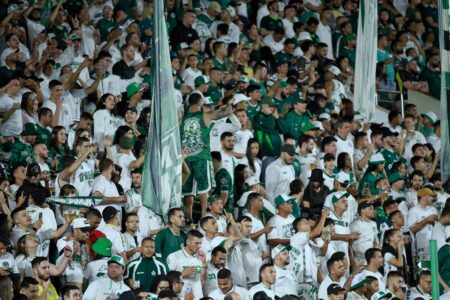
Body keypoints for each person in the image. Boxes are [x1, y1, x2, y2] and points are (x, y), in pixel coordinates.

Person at [181, 93, 232, 219]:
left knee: (188, 192)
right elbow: (227, 112)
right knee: (204, 190)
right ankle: (205, 218)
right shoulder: (205, 115)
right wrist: (229, 101)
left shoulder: (181, 119)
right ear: (200, 103)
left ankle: (189, 219)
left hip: (186, 159)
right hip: (202, 157)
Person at [166, 230, 206, 300]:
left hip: (199, 297)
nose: (199, 246)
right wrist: (182, 274)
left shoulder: (200, 257)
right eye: (196, 243)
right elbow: (167, 279)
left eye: (200, 243)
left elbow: (202, 280)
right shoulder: (174, 256)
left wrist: (204, 264)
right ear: (188, 242)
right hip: (181, 298)